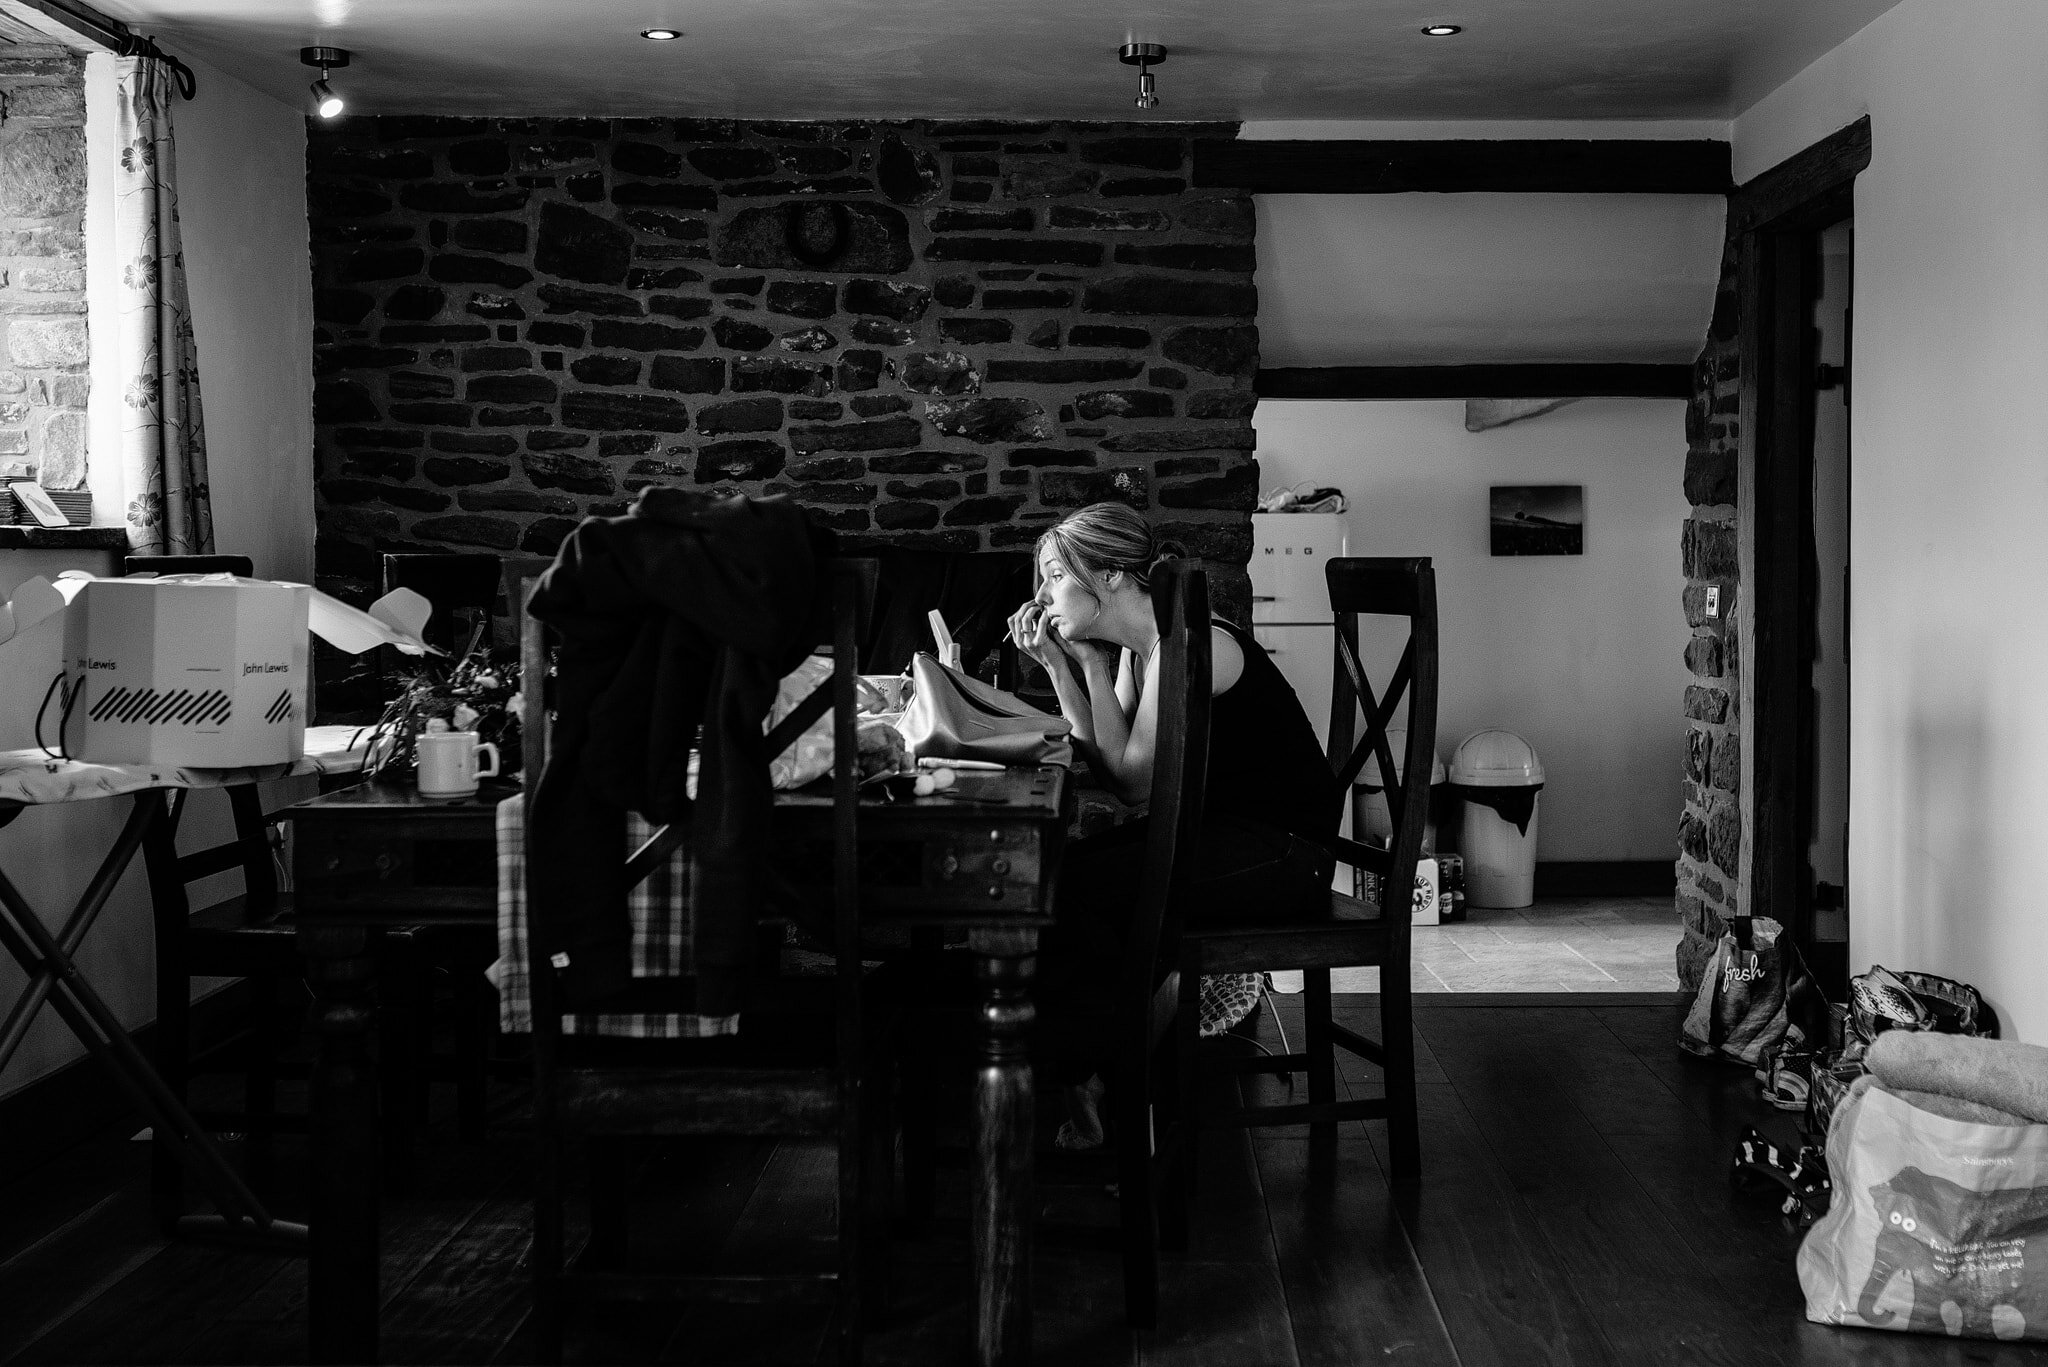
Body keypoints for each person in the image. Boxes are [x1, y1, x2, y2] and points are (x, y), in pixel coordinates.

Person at [1007, 502, 1340, 1145]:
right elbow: (1114, 765)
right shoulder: (1147, 648)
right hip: (1229, 837)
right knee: (1060, 874)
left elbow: (1132, 782)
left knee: (1071, 888)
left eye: (1052, 575)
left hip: (1286, 852)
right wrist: (1070, 666)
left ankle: (1105, 1086)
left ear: (1108, 576)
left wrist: (1084, 666)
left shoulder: (1192, 640)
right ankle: (1108, 1076)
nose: (1041, 595)